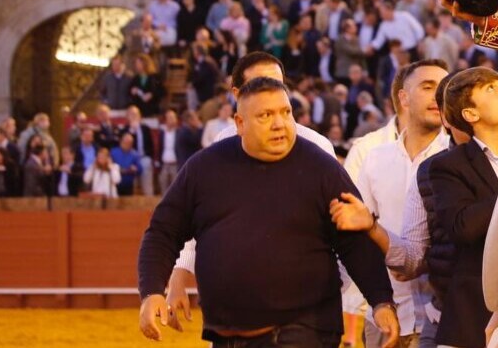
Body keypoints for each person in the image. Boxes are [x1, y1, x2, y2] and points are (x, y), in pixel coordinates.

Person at [137, 77, 400, 347]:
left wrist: (381, 300)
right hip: (225, 335)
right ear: (240, 124)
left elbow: (355, 242)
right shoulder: (203, 168)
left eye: (286, 113)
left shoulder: (322, 168)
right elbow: (162, 232)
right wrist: (151, 291)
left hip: (303, 330)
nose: (279, 124)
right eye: (265, 115)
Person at [341, 60, 450, 348]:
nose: (438, 96)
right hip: (385, 314)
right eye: (428, 87)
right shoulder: (374, 158)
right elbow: (356, 236)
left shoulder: (459, 157)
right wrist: (375, 301)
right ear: (403, 97)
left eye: (444, 88)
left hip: (443, 317)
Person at [429, 67, 498, 348]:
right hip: (473, 319)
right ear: (471, 114)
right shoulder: (449, 166)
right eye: (490, 88)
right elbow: (462, 227)